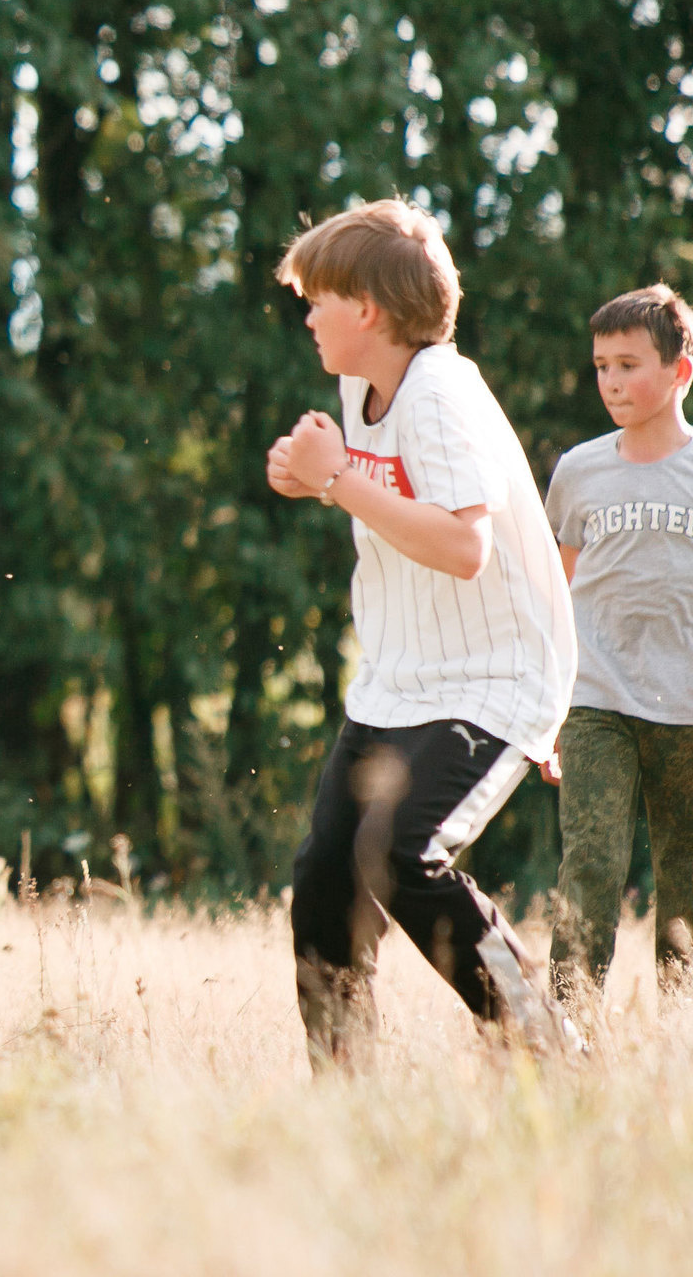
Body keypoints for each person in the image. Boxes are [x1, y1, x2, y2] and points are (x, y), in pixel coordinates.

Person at [264, 199, 575, 1067]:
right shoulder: (358, 384)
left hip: (494, 676)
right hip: (398, 678)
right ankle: (347, 1087)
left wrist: (335, 485)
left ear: (366, 308)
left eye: (317, 298)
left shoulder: (442, 389)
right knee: (326, 873)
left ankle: (545, 1045)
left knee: (405, 853)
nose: (308, 315)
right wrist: (308, 475)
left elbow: (463, 547)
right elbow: (373, 490)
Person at [542, 285, 693, 998]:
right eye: (601, 366)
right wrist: (550, 711)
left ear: (679, 372)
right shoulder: (578, 472)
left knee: (686, 889)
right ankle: (568, 1029)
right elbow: (559, 595)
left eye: (629, 364)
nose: (611, 382)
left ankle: (680, 1035)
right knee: (591, 868)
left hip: (689, 710)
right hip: (597, 701)